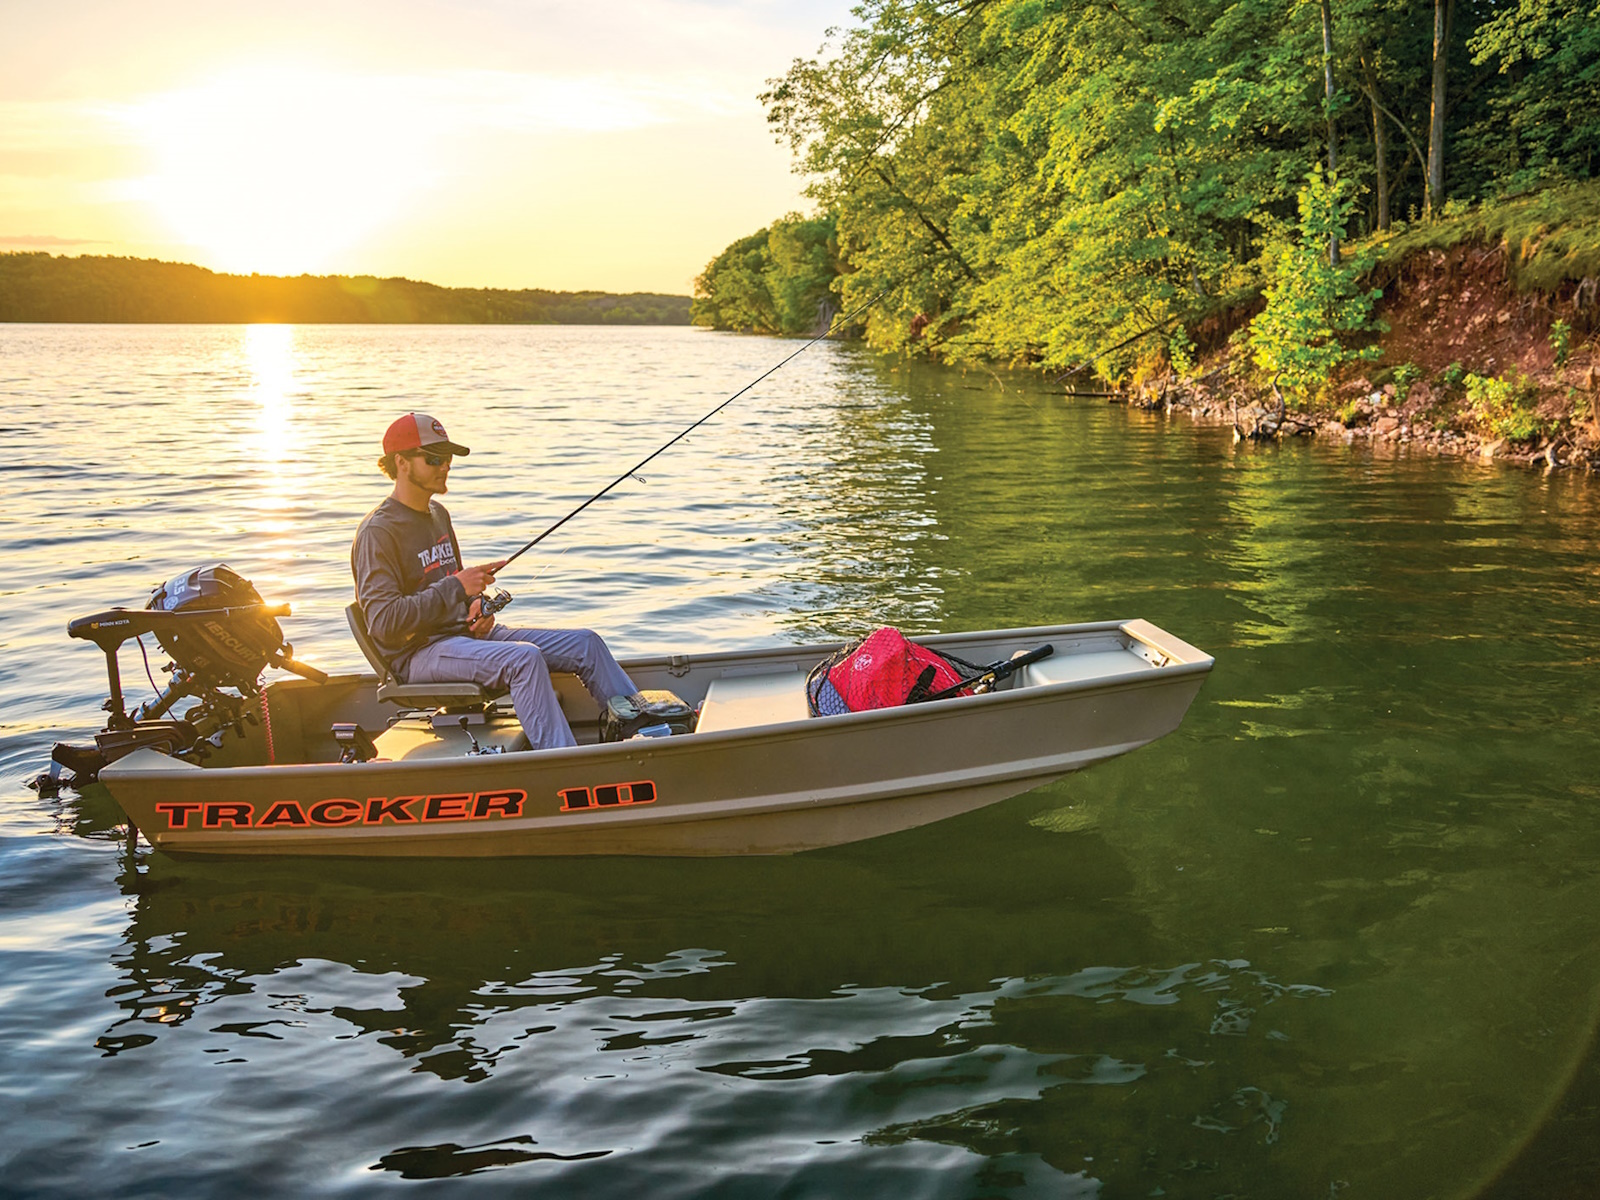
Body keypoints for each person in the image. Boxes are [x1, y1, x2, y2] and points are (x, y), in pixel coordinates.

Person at [351, 412, 640, 750]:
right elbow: (384, 622)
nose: (446, 466)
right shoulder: (378, 532)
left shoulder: (438, 514)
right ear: (401, 463)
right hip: (419, 655)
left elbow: (450, 592)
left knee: (586, 644)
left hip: (462, 637)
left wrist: (475, 607)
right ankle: (563, 761)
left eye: (448, 458)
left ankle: (647, 733)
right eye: (434, 459)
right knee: (524, 659)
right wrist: (457, 587)